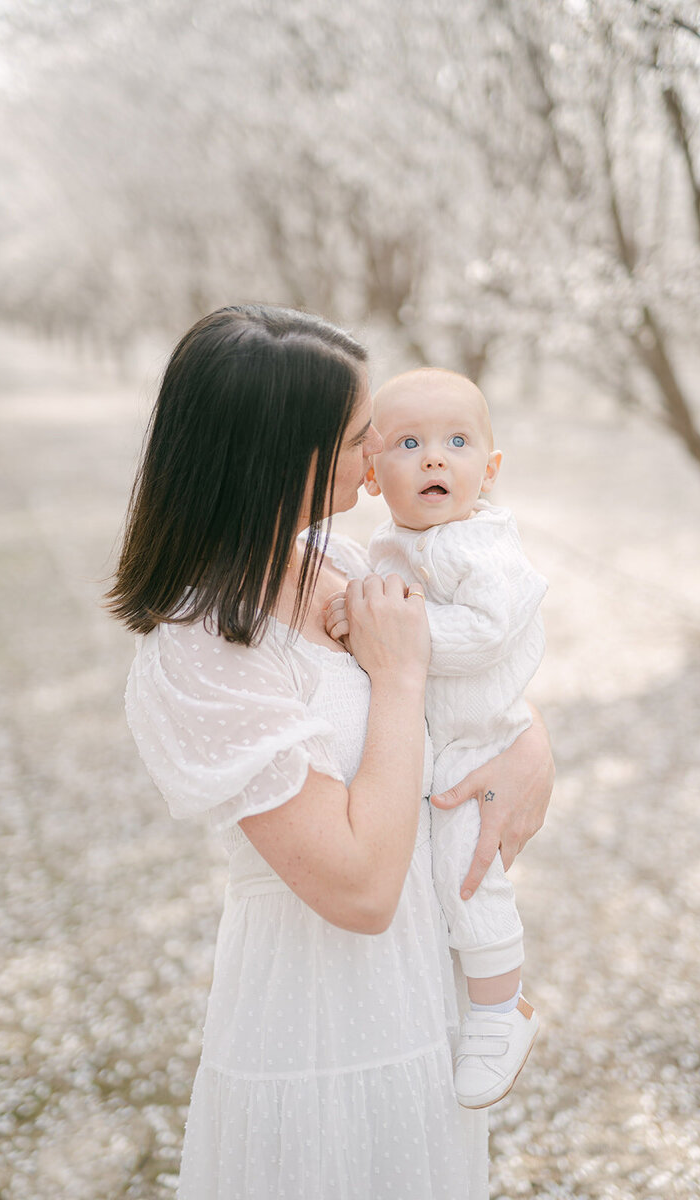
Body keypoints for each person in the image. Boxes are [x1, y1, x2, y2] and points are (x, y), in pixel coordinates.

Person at [107, 306, 553, 1199]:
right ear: (285, 455)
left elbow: (469, 686)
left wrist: (531, 748)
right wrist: (394, 678)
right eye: (360, 438)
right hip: (311, 1026)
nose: (380, 452)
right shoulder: (200, 654)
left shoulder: (328, 559)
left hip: (418, 998)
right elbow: (358, 888)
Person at [325, 368, 547, 1110]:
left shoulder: (476, 545)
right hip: (434, 737)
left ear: (488, 471)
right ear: (372, 468)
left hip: (472, 741)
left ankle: (500, 1005)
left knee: (465, 864)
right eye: (409, 443)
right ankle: (471, 993)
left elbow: (486, 634)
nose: (433, 459)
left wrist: (385, 632)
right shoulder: (390, 542)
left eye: (457, 443)